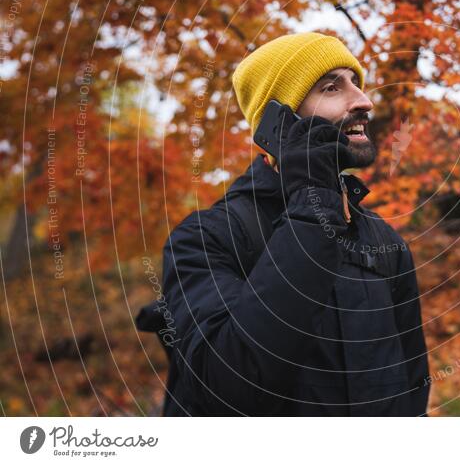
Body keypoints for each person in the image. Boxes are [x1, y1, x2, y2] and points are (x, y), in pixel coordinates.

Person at [154, 32, 430, 416]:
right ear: (278, 120)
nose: (364, 101)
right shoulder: (206, 238)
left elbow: (413, 386)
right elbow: (229, 383)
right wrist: (314, 201)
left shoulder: (384, 241)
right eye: (332, 88)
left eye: (357, 84)